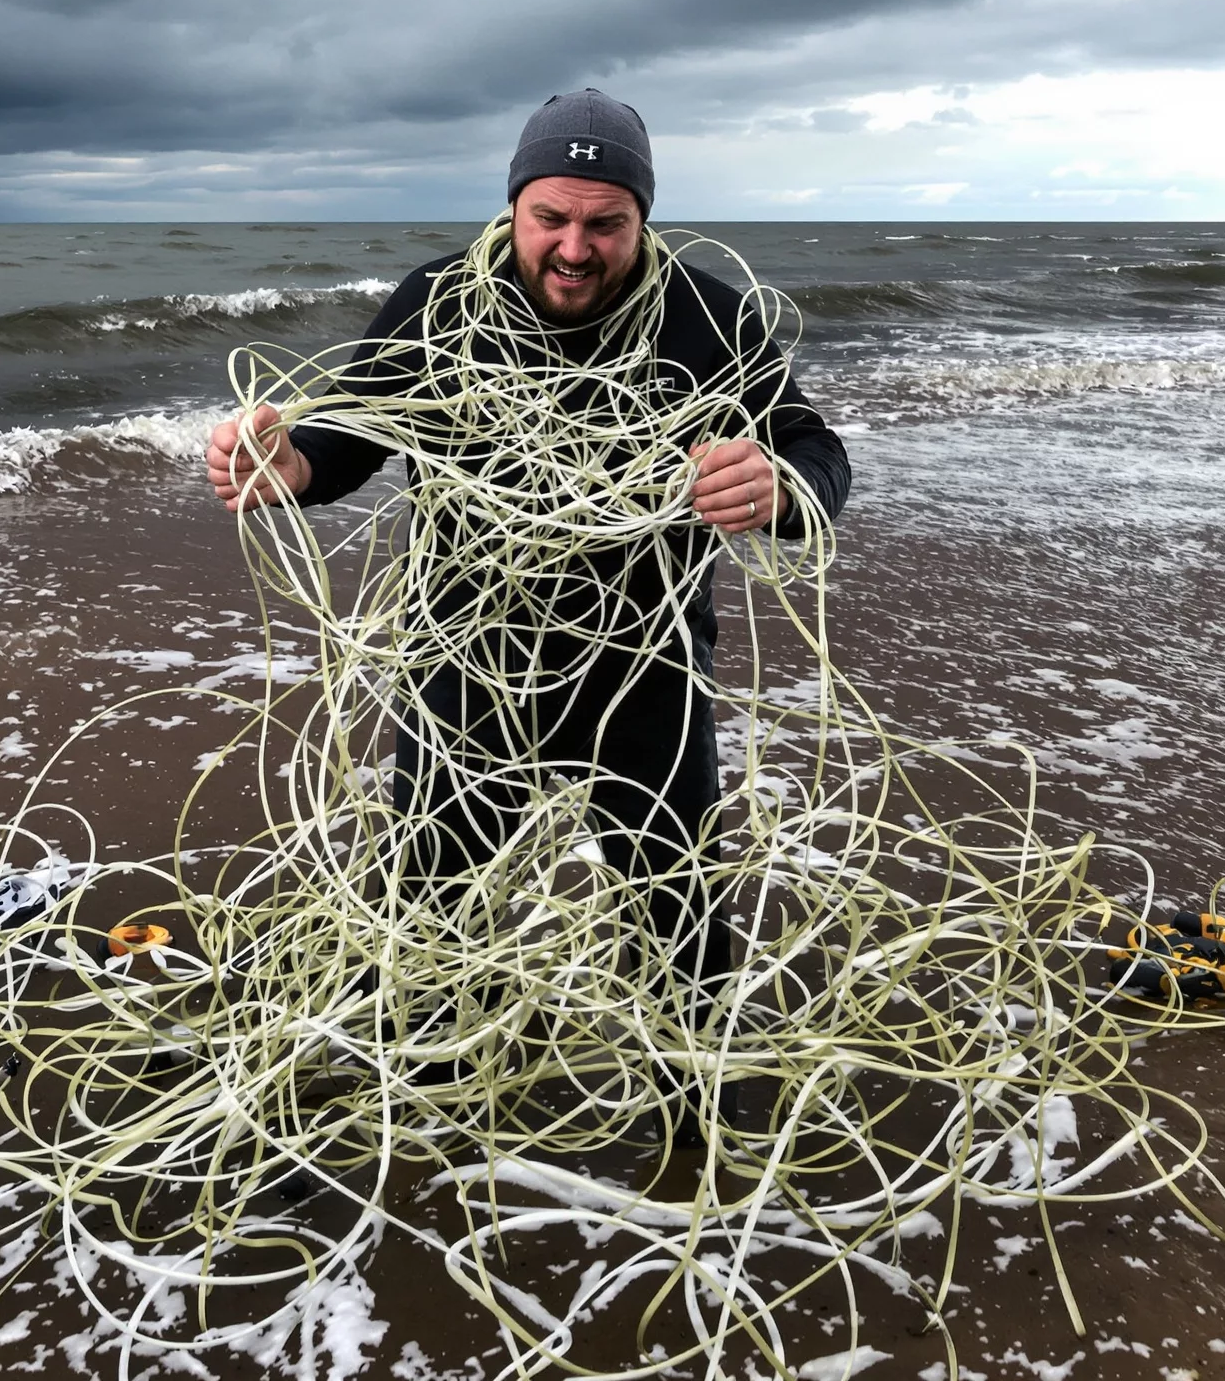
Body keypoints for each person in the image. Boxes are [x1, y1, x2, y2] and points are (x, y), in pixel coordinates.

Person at [204, 90, 850, 1069]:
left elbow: (815, 448)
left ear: (643, 217)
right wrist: (289, 466)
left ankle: (690, 1103)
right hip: (467, 659)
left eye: (606, 224)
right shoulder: (438, 303)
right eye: (549, 217)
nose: (574, 249)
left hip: (647, 663)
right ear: (512, 206)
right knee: (435, 909)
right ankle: (435, 1096)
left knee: (676, 912)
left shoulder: (705, 316)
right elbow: (347, 435)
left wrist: (780, 484)